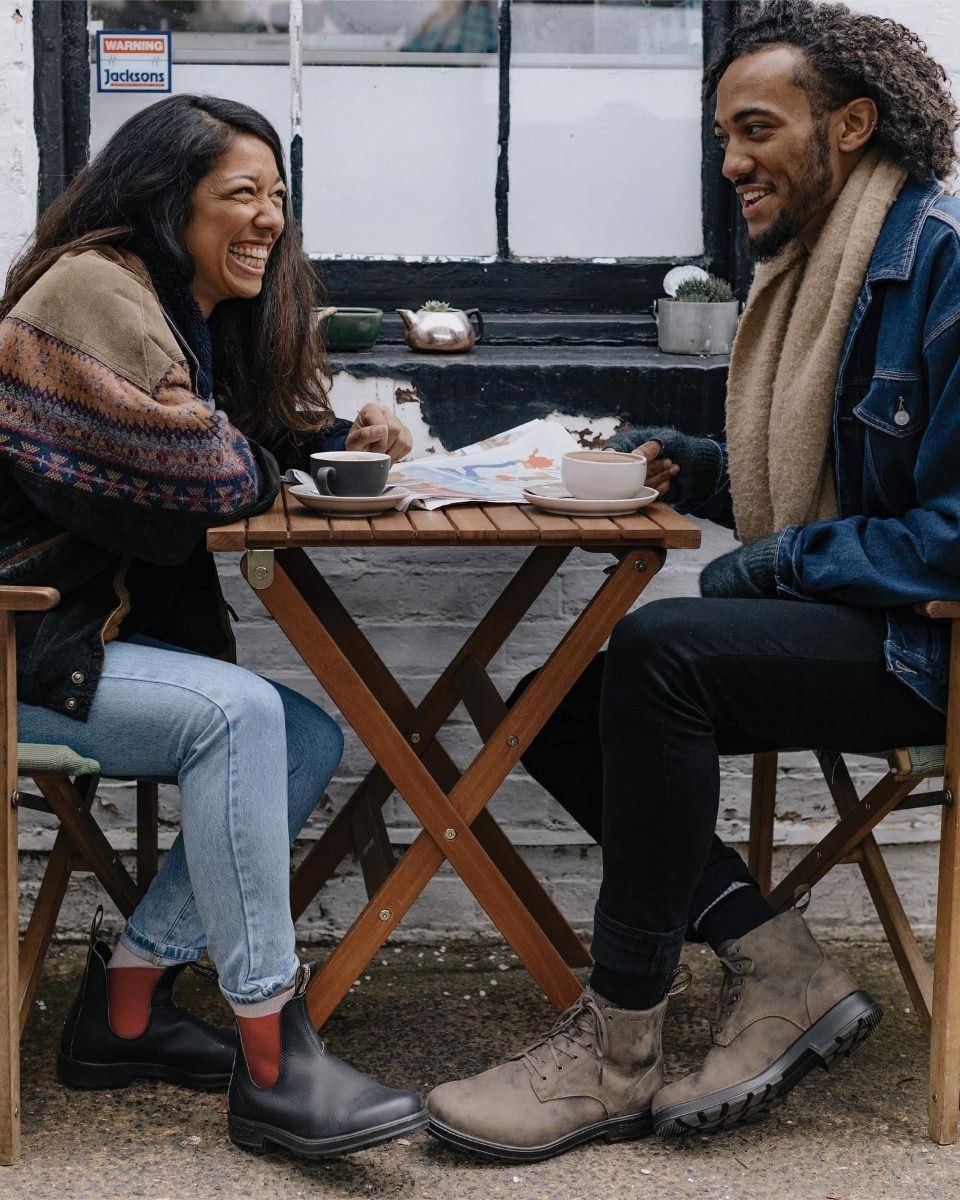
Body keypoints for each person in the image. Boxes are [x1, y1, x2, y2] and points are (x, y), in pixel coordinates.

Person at [427, 0, 960, 1161]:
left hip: (936, 654)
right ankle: (780, 966)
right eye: (723, 137)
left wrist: (775, 560)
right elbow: (838, 480)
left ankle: (618, 1052)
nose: (731, 164)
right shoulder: (822, 267)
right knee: (551, 712)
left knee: (662, 654)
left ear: (854, 124)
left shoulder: (945, 264)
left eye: (756, 130)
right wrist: (697, 470)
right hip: (867, 617)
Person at [0, 94, 425, 1159]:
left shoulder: (179, 309)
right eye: (241, 193)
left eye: (278, 197)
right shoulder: (90, 290)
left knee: (304, 734)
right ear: (163, 197)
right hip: (25, 648)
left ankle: (129, 1008)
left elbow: (234, 437)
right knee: (239, 720)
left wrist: (332, 431)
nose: (269, 219)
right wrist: (281, 453)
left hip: (80, 640)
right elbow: (204, 469)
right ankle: (274, 1064)